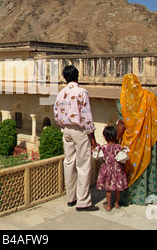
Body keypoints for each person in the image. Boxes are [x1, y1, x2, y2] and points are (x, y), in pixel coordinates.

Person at [116, 73, 157, 206]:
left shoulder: (123, 102)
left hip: (132, 141)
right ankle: (152, 195)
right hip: (152, 139)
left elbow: (121, 123)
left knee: (133, 167)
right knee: (150, 167)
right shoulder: (149, 97)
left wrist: (117, 138)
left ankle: (133, 197)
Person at [54, 65, 99, 211]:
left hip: (66, 129)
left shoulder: (61, 93)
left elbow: (56, 114)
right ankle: (83, 202)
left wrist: (64, 126)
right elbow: (86, 116)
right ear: (77, 76)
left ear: (65, 78)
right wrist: (92, 137)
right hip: (79, 130)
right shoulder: (82, 92)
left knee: (69, 162)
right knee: (83, 165)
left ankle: (71, 198)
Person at [93, 126, 129, 211]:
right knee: (117, 188)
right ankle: (116, 203)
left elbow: (98, 157)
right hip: (117, 169)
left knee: (108, 189)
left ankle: (108, 205)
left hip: (106, 169)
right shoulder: (119, 147)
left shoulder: (103, 148)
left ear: (105, 137)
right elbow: (123, 159)